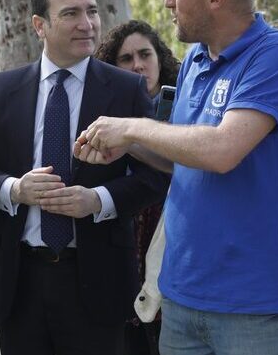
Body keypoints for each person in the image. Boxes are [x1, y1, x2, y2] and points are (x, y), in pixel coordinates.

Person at [74, 0, 278, 355]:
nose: (168, 1)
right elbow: (184, 157)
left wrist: (130, 129)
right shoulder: (196, 62)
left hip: (251, 307)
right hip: (182, 299)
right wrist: (130, 148)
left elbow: (221, 151)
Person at [0, 0, 167, 355]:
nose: (87, 24)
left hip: (96, 281)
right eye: (71, 13)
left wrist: (98, 200)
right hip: (20, 282)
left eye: (92, 11)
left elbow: (155, 176)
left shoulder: (126, 89)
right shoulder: (3, 89)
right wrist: (14, 190)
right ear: (40, 24)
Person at [94, 19, 179, 355]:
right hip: (122, 236)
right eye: (125, 58)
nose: (138, 64)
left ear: (160, 58)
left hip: (169, 235)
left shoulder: (186, 106)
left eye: (145, 54)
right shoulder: (104, 113)